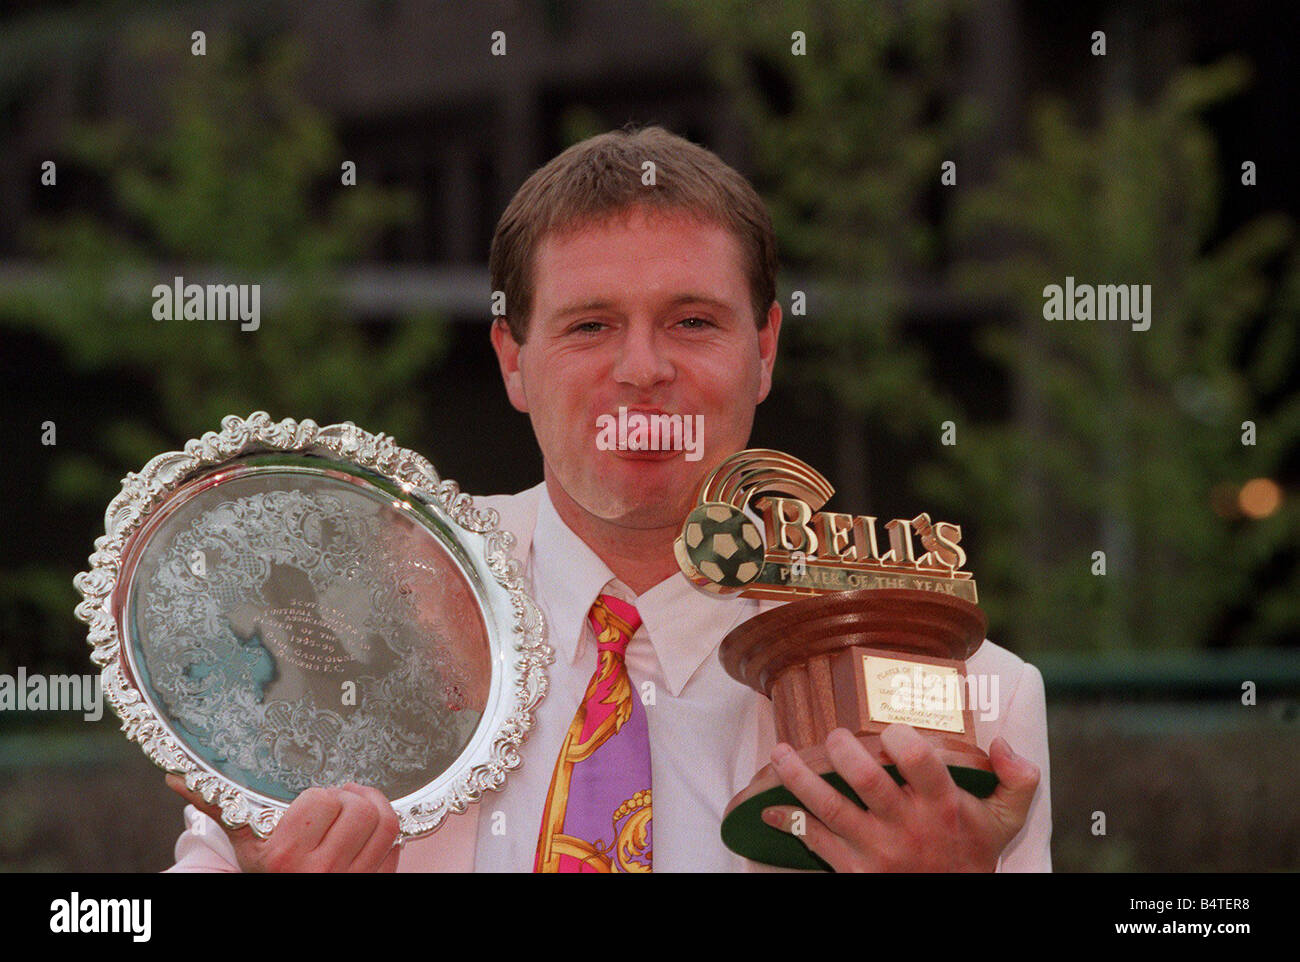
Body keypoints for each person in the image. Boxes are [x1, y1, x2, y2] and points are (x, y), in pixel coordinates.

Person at [166, 125, 1051, 872]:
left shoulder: (969, 704)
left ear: (766, 349)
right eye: (590, 326)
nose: (643, 371)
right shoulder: (339, 629)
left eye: (693, 322)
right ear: (513, 359)